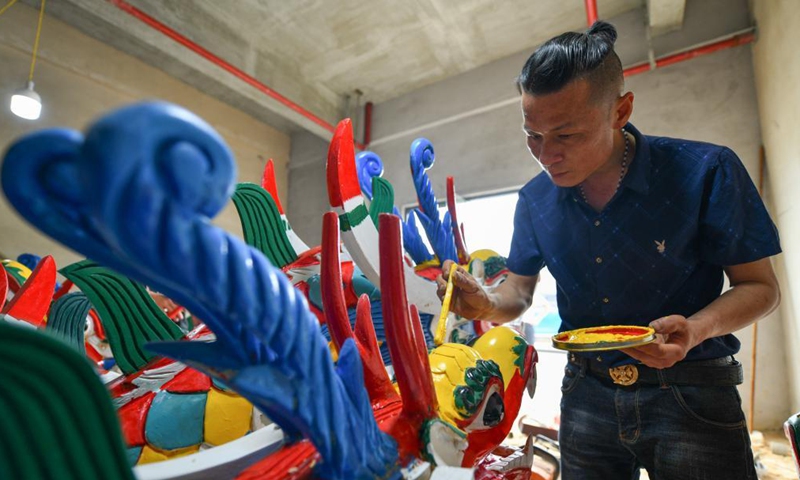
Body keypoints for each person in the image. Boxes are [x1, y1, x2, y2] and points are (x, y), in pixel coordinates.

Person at [436, 20, 781, 479]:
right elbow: (518, 293)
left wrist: (695, 330)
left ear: (620, 111)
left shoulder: (705, 170)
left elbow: (760, 287)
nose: (545, 154)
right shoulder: (535, 200)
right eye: (532, 135)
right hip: (586, 394)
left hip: (692, 391)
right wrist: (485, 302)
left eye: (566, 135)